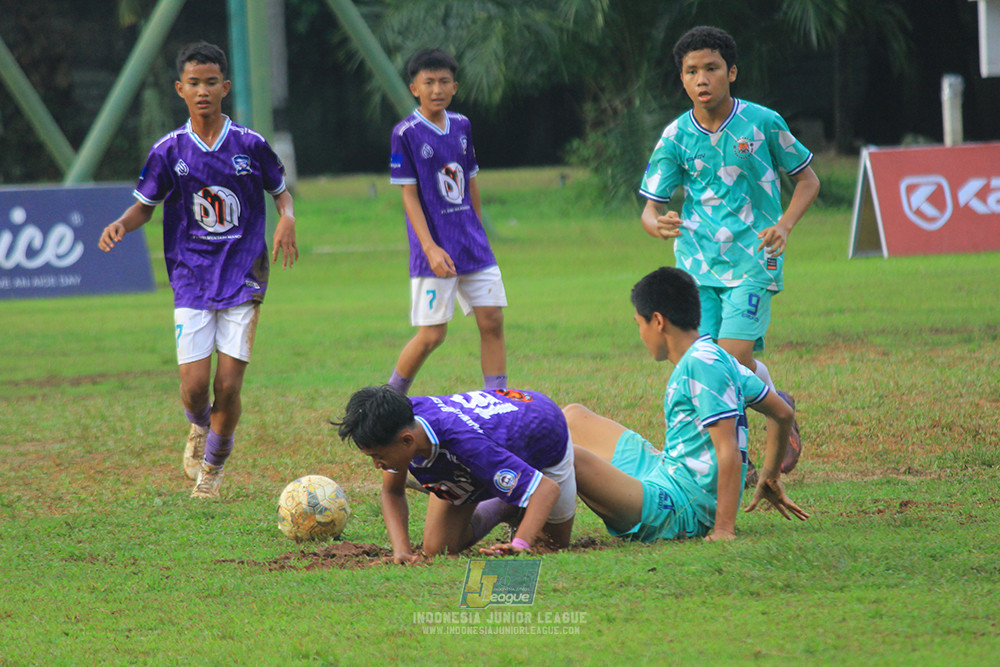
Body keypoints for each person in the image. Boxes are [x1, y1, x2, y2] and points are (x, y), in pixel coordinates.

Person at [98, 42, 297, 499]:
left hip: (244, 274)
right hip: (191, 276)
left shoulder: (250, 144)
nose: (203, 90)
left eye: (211, 82)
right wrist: (122, 224)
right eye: (194, 83)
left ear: (225, 87)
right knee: (193, 389)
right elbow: (145, 206)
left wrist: (287, 218)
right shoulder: (169, 150)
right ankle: (199, 425)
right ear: (180, 89)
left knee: (227, 385)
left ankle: (211, 472)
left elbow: (281, 193)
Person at [638, 26, 821, 476]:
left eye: (712, 68)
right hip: (696, 266)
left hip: (756, 259)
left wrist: (784, 225)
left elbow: (808, 180)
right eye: (692, 71)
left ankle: (760, 431)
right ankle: (747, 438)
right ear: (682, 79)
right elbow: (649, 209)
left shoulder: (763, 122)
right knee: (703, 362)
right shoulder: (676, 136)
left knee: (733, 357)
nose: (702, 79)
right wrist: (656, 223)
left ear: (731, 72)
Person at [564, 267, 809, 542]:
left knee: (569, 457)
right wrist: (770, 476)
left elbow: (727, 448)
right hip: (665, 469)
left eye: (639, 324)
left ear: (658, 321)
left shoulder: (702, 364)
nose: (640, 335)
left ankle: (542, 537)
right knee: (572, 418)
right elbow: (782, 413)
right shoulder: (714, 355)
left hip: (679, 506)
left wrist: (723, 529)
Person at [334, 385, 576, 563]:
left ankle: (576, 461)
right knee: (437, 548)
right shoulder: (398, 421)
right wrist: (401, 551)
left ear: (407, 441)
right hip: (485, 452)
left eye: (378, 456)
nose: (376, 464)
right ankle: (510, 503)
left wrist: (520, 543)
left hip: (544, 430)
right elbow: (392, 492)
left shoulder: (467, 446)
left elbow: (546, 490)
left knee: (553, 542)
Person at [386, 48, 507, 396]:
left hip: (472, 245)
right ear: (414, 88)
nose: (436, 89)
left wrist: (478, 231)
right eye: (428, 82)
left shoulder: (462, 125)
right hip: (434, 249)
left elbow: (470, 182)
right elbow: (409, 195)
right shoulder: (405, 133)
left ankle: (498, 399)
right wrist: (429, 248)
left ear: (455, 87)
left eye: (443, 82)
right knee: (432, 335)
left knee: (492, 320)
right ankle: (388, 399)